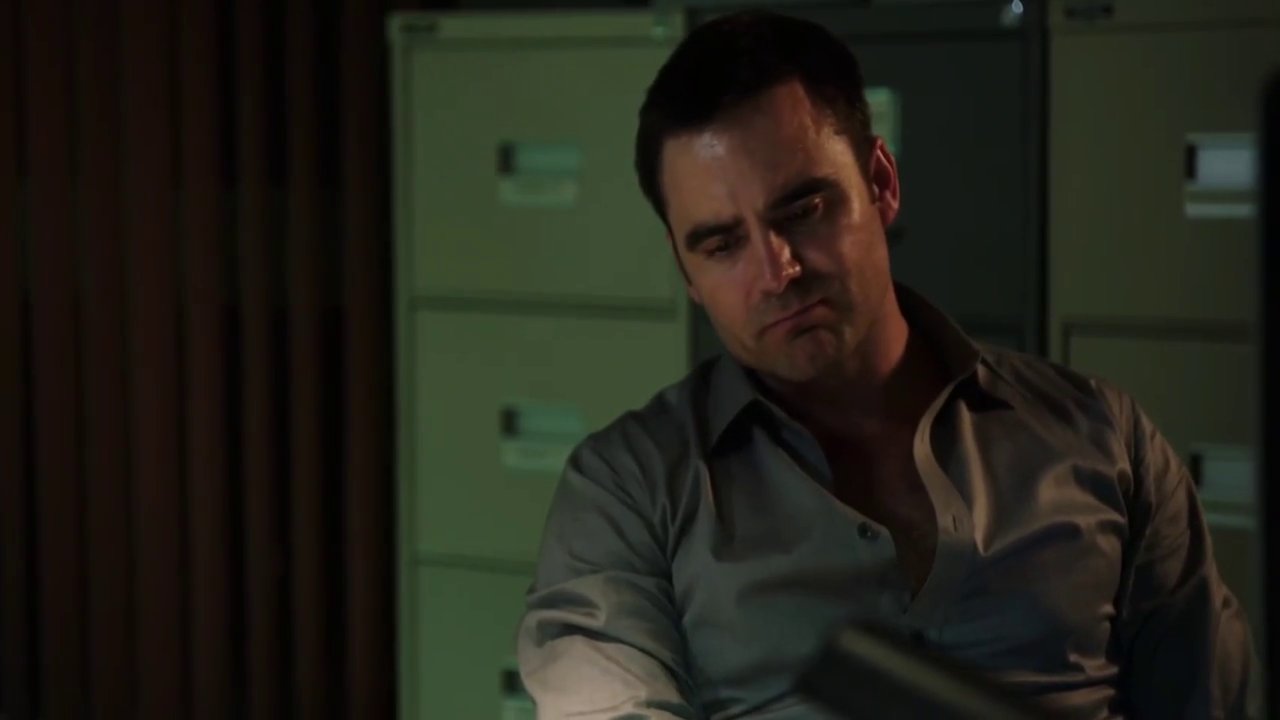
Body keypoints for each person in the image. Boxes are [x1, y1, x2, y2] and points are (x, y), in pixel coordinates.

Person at [516, 10, 1256, 719]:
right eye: (721, 244)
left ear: (881, 184)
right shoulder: (628, 491)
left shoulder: (1105, 440)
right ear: (685, 270)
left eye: (802, 210)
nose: (776, 273)